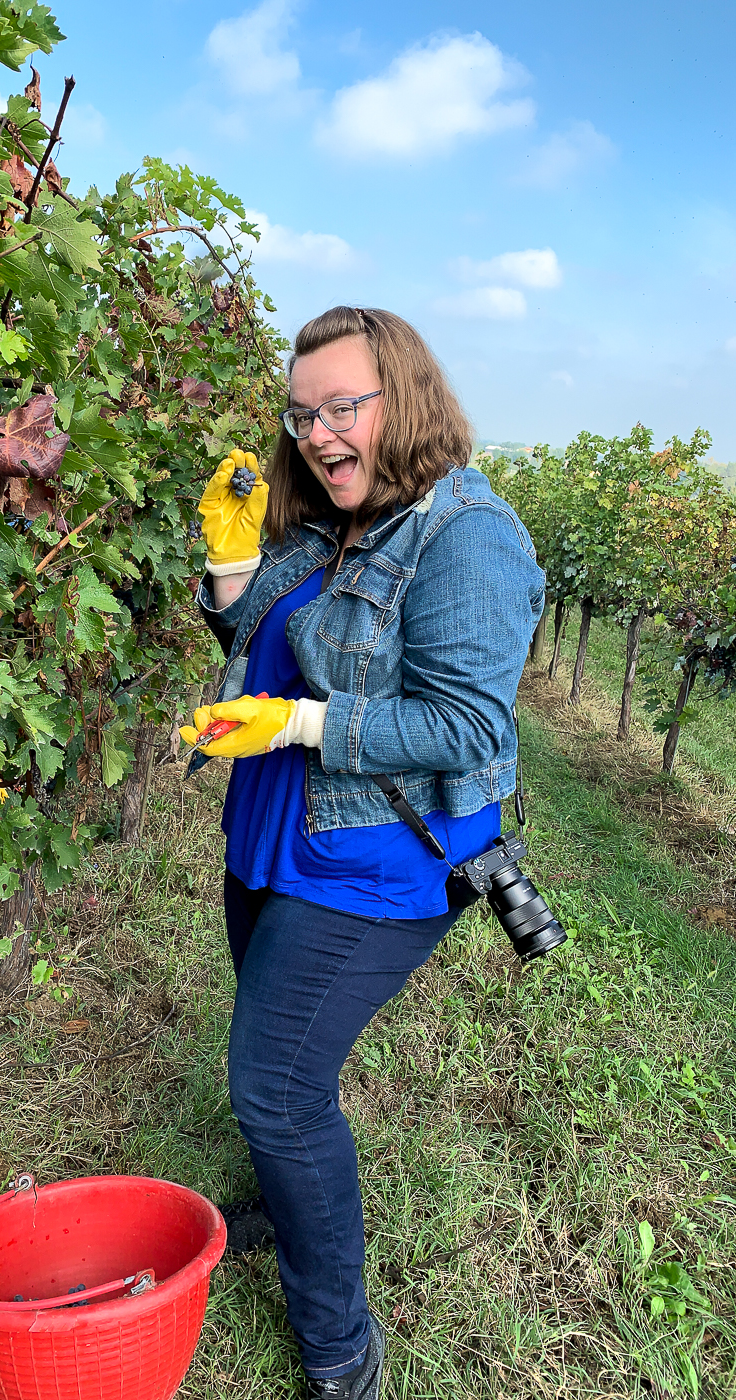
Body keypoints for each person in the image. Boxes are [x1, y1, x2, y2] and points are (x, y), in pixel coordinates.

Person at [181, 306, 545, 1399]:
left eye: (344, 405)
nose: (319, 432)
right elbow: (274, 638)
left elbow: (468, 725)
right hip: (277, 835)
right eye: (302, 414)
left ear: (407, 396)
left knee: (277, 1089)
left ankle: (342, 1343)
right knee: (278, 1072)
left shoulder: (468, 534)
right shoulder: (331, 516)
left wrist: (297, 726)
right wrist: (230, 563)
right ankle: (295, 1202)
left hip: (377, 856)